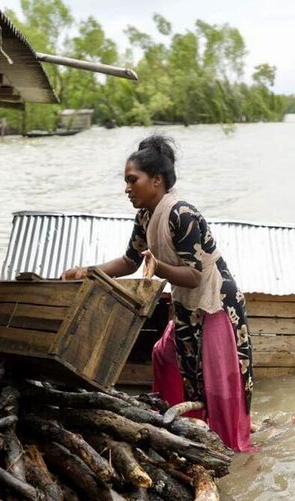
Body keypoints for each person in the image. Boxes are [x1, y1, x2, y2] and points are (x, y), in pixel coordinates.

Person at [62, 135, 254, 451]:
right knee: (164, 356)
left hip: (216, 303)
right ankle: (179, 425)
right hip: (186, 302)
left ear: (157, 180)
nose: (126, 188)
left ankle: (229, 448)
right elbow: (129, 261)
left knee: (220, 387)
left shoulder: (182, 214)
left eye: (132, 180)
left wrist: (159, 266)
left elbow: (193, 276)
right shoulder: (146, 217)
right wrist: (88, 272)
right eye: (126, 181)